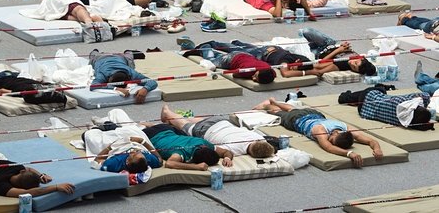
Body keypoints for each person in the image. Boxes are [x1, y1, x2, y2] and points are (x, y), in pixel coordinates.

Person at [254, 98, 383, 167]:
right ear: (336, 134)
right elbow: (328, 147)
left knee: (294, 109)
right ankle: (268, 105)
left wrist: (377, 148)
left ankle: (275, 101)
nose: (329, 139)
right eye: (331, 139)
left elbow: (371, 141)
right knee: (277, 113)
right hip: (297, 120)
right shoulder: (320, 131)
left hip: (314, 114)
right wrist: (349, 153)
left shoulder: (346, 128)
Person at [161, 104, 276, 159]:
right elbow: (219, 151)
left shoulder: (258, 137)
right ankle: (167, 113)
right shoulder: (236, 149)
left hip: (222, 122)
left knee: (198, 120)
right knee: (183, 125)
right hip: (205, 131)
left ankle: (177, 115)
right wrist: (227, 157)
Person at [184, 39, 323, 78]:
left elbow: (318, 67)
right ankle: (206, 46)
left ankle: (208, 47)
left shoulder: (299, 60)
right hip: (259, 54)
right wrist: (309, 73)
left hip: (261, 52)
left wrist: (312, 71)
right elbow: (286, 73)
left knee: (236, 47)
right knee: (228, 48)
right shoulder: (286, 62)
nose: (292, 68)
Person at [84, 109, 163, 173]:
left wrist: (109, 147)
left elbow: (97, 160)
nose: (136, 151)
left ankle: (97, 127)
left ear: (128, 162)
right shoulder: (147, 160)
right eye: (140, 153)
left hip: (114, 144)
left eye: (134, 154)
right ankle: (107, 124)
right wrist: (142, 142)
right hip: (132, 139)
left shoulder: (114, 164)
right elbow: (159, 160)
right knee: (117, 112)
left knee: (89, 136)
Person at [142, 123, 233, 170]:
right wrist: (196, 167)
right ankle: (144, 126)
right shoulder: (181, 153)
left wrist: (227, 158)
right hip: (151, 135)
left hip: (168, 129)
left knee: (184, 135)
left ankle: (152, 125)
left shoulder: (203, 143)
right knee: (141, 130)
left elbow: (226, 152)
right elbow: (169, 163)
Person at [181, 40, 277, 84]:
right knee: (211, 63)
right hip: (232, 58)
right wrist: (247, 76)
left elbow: (272, 74)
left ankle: (216, 47)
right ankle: (205, 49)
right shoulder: (248, 71)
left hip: (246, 55)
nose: (253, 78)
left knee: (225, 54)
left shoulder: (270, 71)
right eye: (255, 76)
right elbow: (235, 75)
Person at [338, 87, 433, 131]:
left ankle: (345, 96)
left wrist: (423, 104)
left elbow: (425, 95)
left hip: (369, 95)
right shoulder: (406, 123)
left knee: (382, 90)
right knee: (381, 94)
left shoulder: (404, 101)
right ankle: (349, 99)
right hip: (364, 112)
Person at [299, 27, 377, 75]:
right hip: (328, 44)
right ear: (361, 58)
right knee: (306, 31)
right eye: (355, 62)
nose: (351, 63)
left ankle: (304, 40)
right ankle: (305, 39)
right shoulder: (357, 55)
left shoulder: (343, 65)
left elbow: (319, 64)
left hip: (318, 53)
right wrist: (342, 46)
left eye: (353, 67)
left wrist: (338, 50)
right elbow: (344, 48)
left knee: (298, 47)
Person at [89, 49, 157, 104]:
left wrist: (145, 89)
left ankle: (128, 52)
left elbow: (152, 82)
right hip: (100, 58)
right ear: (109, 79)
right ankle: (95, 51)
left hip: (120, 57)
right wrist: (116, 89)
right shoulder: (103, 73)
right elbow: (93, 86)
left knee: (129, 60)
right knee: (93, 55)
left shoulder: (131, 73)